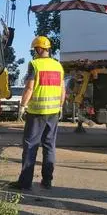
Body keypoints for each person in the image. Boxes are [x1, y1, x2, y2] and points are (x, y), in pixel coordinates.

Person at [8, 36, 66, 191]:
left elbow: (29, 88)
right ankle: (47, 181)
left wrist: (22, 106)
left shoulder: (35, 64)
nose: (34, 52)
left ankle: (25, 182)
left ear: (39, 49)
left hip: (37, 112)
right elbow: (62, 90)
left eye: (35, 49)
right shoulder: (58, 66)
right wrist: (60, 106)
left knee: (30, 146)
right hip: (53, 112)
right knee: (49, 146)